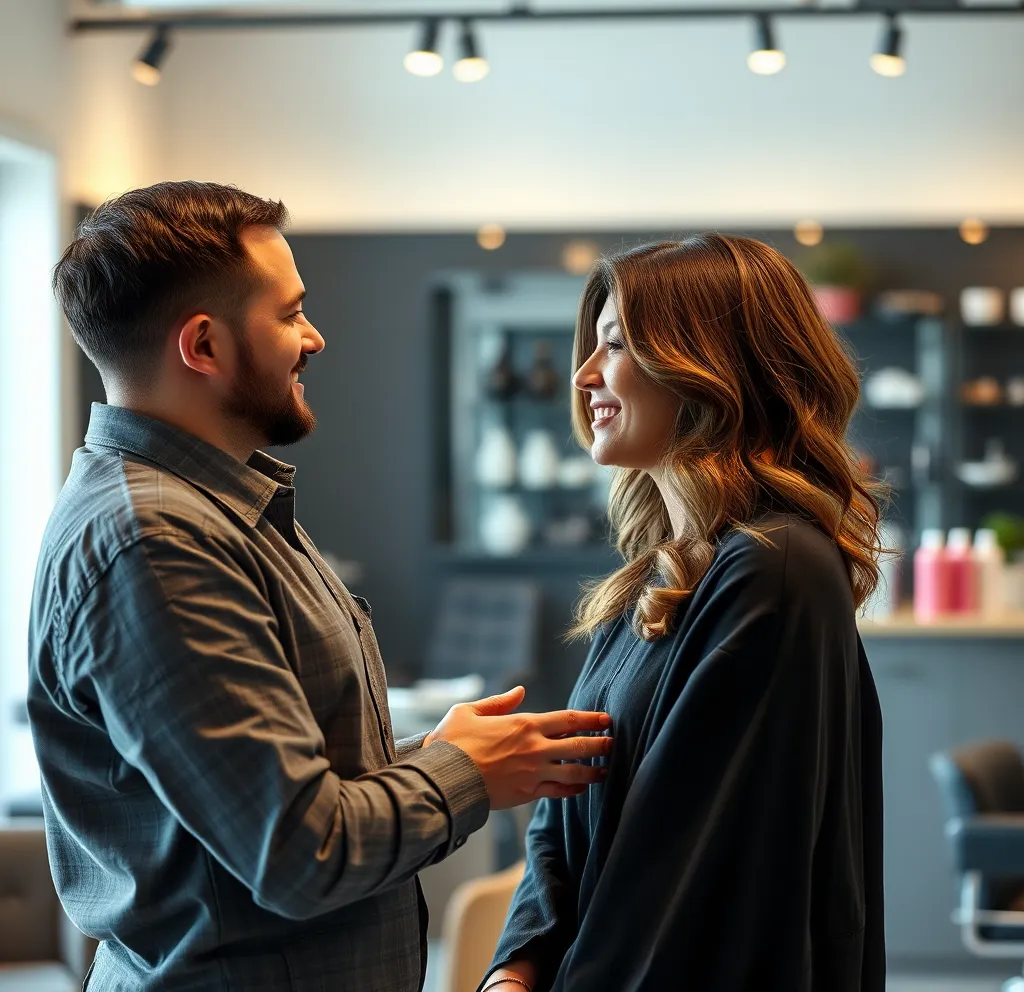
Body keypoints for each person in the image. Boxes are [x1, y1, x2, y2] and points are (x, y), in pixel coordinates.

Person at [28, 181, 613, 991]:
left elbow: (273, 797)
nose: (316, 337)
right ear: (203, 345)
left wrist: (438, 754)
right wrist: (465, 772)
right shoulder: (154, 540)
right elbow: (302, 852)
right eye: (289, 313)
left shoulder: (220, 505)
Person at [481, 234, 886, 992]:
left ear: (710, 368)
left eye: (617, 346)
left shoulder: (775, 570)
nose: (583, 375)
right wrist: (515, 969)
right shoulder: (654, 579)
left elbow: (686, 881)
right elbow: (564, 811)